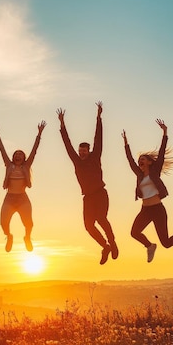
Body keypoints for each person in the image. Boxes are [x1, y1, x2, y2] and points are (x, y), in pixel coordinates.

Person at [122, 118, 173, 263]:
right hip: (145, 210)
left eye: (143, 159)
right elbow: (129, 160)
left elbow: (161, 154)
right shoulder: (139, 175)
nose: (139, 161)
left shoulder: (155, 171)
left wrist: (165, 133)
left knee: (166, 242)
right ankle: (150, 246)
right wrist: (126, 143)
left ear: (149, 162)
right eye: (139, 160)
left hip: (158, 210)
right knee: (134, 233)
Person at [57, 101, 118, 265]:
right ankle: (105, 246)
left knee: (101, 219)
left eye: (84, 150)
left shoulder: (95, 156)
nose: (81, 152)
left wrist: (99, 117)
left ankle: (112, 242)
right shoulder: (77, 161)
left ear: (88, 151)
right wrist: (62, 125)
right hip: (88, 198)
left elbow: (98, 139)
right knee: (88, 226)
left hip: (100, 193)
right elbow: (67, 145)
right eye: (80, 151)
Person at [0, 118, 46, 252]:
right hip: (9, 198)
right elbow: (1, 149)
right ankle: (9, 236)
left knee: (29, 223)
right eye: (16, 154)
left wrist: (39, 134)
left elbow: (34, 151)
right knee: (3, 223)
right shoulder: (8, 165)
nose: (18, 155)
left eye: (21, 154)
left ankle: (27, 237)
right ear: (13, 157)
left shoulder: (26, 166)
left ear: (24, 157)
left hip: (22, 199)